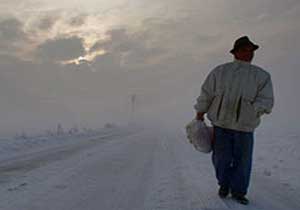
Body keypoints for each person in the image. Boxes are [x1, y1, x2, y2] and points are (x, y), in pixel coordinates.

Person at [194, 36, 274, 205]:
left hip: (245, 128)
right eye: (245, 49)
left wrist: (252, 111)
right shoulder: (220, 71)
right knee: (221, 159)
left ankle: (238, 191)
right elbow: (207, 93)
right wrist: (200, 112)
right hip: (221, 124)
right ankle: (224, 185)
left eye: (251, 50)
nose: (249, 53)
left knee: (243, 162)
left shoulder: (261, 76)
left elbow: (266, 100)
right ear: (236, 51)